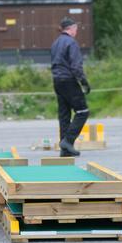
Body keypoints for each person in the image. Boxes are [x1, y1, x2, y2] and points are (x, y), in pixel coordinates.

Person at [51, 16, 91, 157]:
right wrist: (83, 81)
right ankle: (68, 141)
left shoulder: (55, 43)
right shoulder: (71, 43)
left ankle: (65, 149)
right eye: (76, 29)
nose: (76, 32)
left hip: (57, 81)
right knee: (82, 112)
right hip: (69, 80)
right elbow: (75, 65)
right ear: (71, 29)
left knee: (64, 115)